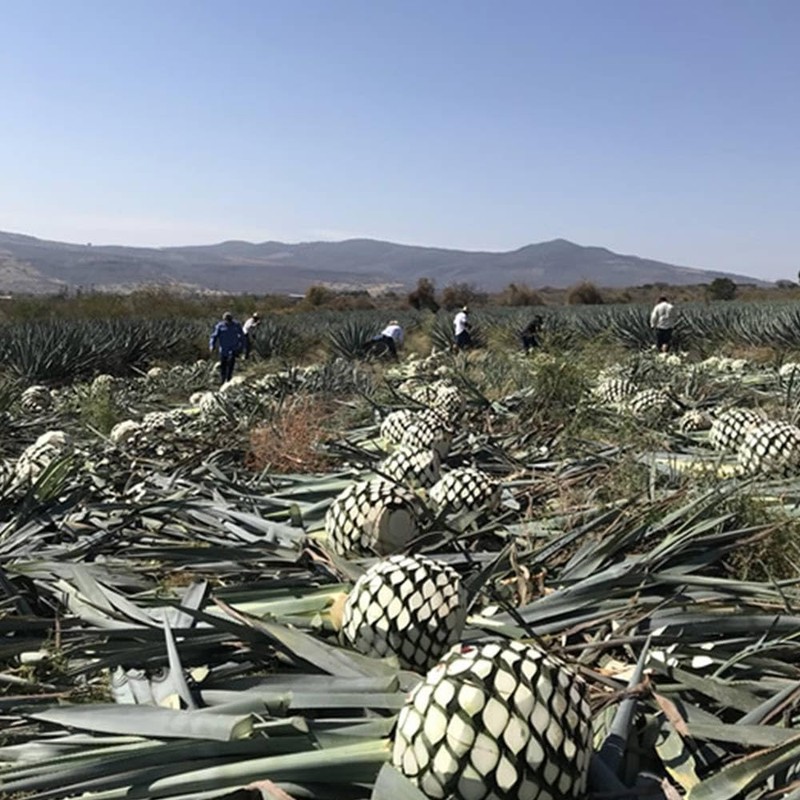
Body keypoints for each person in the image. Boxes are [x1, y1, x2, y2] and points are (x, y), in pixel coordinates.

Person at [209, 311, 245, 383]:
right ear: (224, 319)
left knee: (231, 363)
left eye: (229, 319)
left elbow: (241, 336)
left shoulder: (236, 325)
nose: (228, 321)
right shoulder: (220, 326)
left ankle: (228, 379)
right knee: (223, 365)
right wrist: (212, 345)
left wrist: (242, 345)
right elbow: (214, 336)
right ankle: (223, 379)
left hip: (233, 348)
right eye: (226, 319)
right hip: (223, 349)